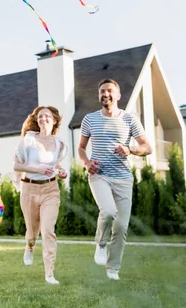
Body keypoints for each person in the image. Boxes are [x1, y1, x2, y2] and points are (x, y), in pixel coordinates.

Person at [78, 79, 152, 281]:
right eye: (102, 91)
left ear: (118, 95)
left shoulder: (129, 119)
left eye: (109, 91)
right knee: (108, 211)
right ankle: (101, 243)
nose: (105, 94)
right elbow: (81, 148)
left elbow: (147, 147)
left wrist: (131, 149)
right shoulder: (89, 119)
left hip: (123, 178)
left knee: (121, 226)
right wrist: (86, 163)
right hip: (99, 175)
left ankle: (113, 270)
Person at [13, 106, 68, 285]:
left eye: (47, 116)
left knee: (48, 231)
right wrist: (36, 169)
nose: (44, 119)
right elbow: (17, 166)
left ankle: (49, 274)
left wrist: (61, 172)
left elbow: (56, 165)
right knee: (32, 233)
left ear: (54, 120)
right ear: (37, 120)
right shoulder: (28, 140)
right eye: (41, 116)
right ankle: (29, 246)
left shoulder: (59, 145)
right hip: (29, 189)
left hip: (50, 190)